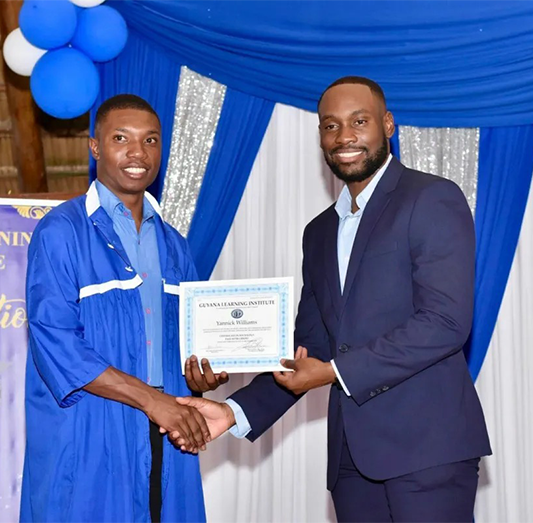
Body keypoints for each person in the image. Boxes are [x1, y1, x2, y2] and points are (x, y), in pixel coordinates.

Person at [180, 77, 491, 522]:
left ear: (387, 124)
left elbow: (445, 322)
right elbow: (312, 347)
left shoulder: (431, 197)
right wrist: (232, 412)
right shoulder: (319, 231)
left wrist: (333, 372)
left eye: (359, 121)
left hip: (428, 450)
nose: (344, 136)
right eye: (331, 125)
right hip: (350, 460)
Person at [20, 94, 210, 523]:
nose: (137, 153)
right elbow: (58, 344)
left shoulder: (175, 245)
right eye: (121, 138)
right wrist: (151, 400)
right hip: (91, 426)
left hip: (168, 430)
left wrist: (201, 374)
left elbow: (190, 339)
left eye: (150, 140)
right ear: (95, 147)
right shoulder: (61, 232)